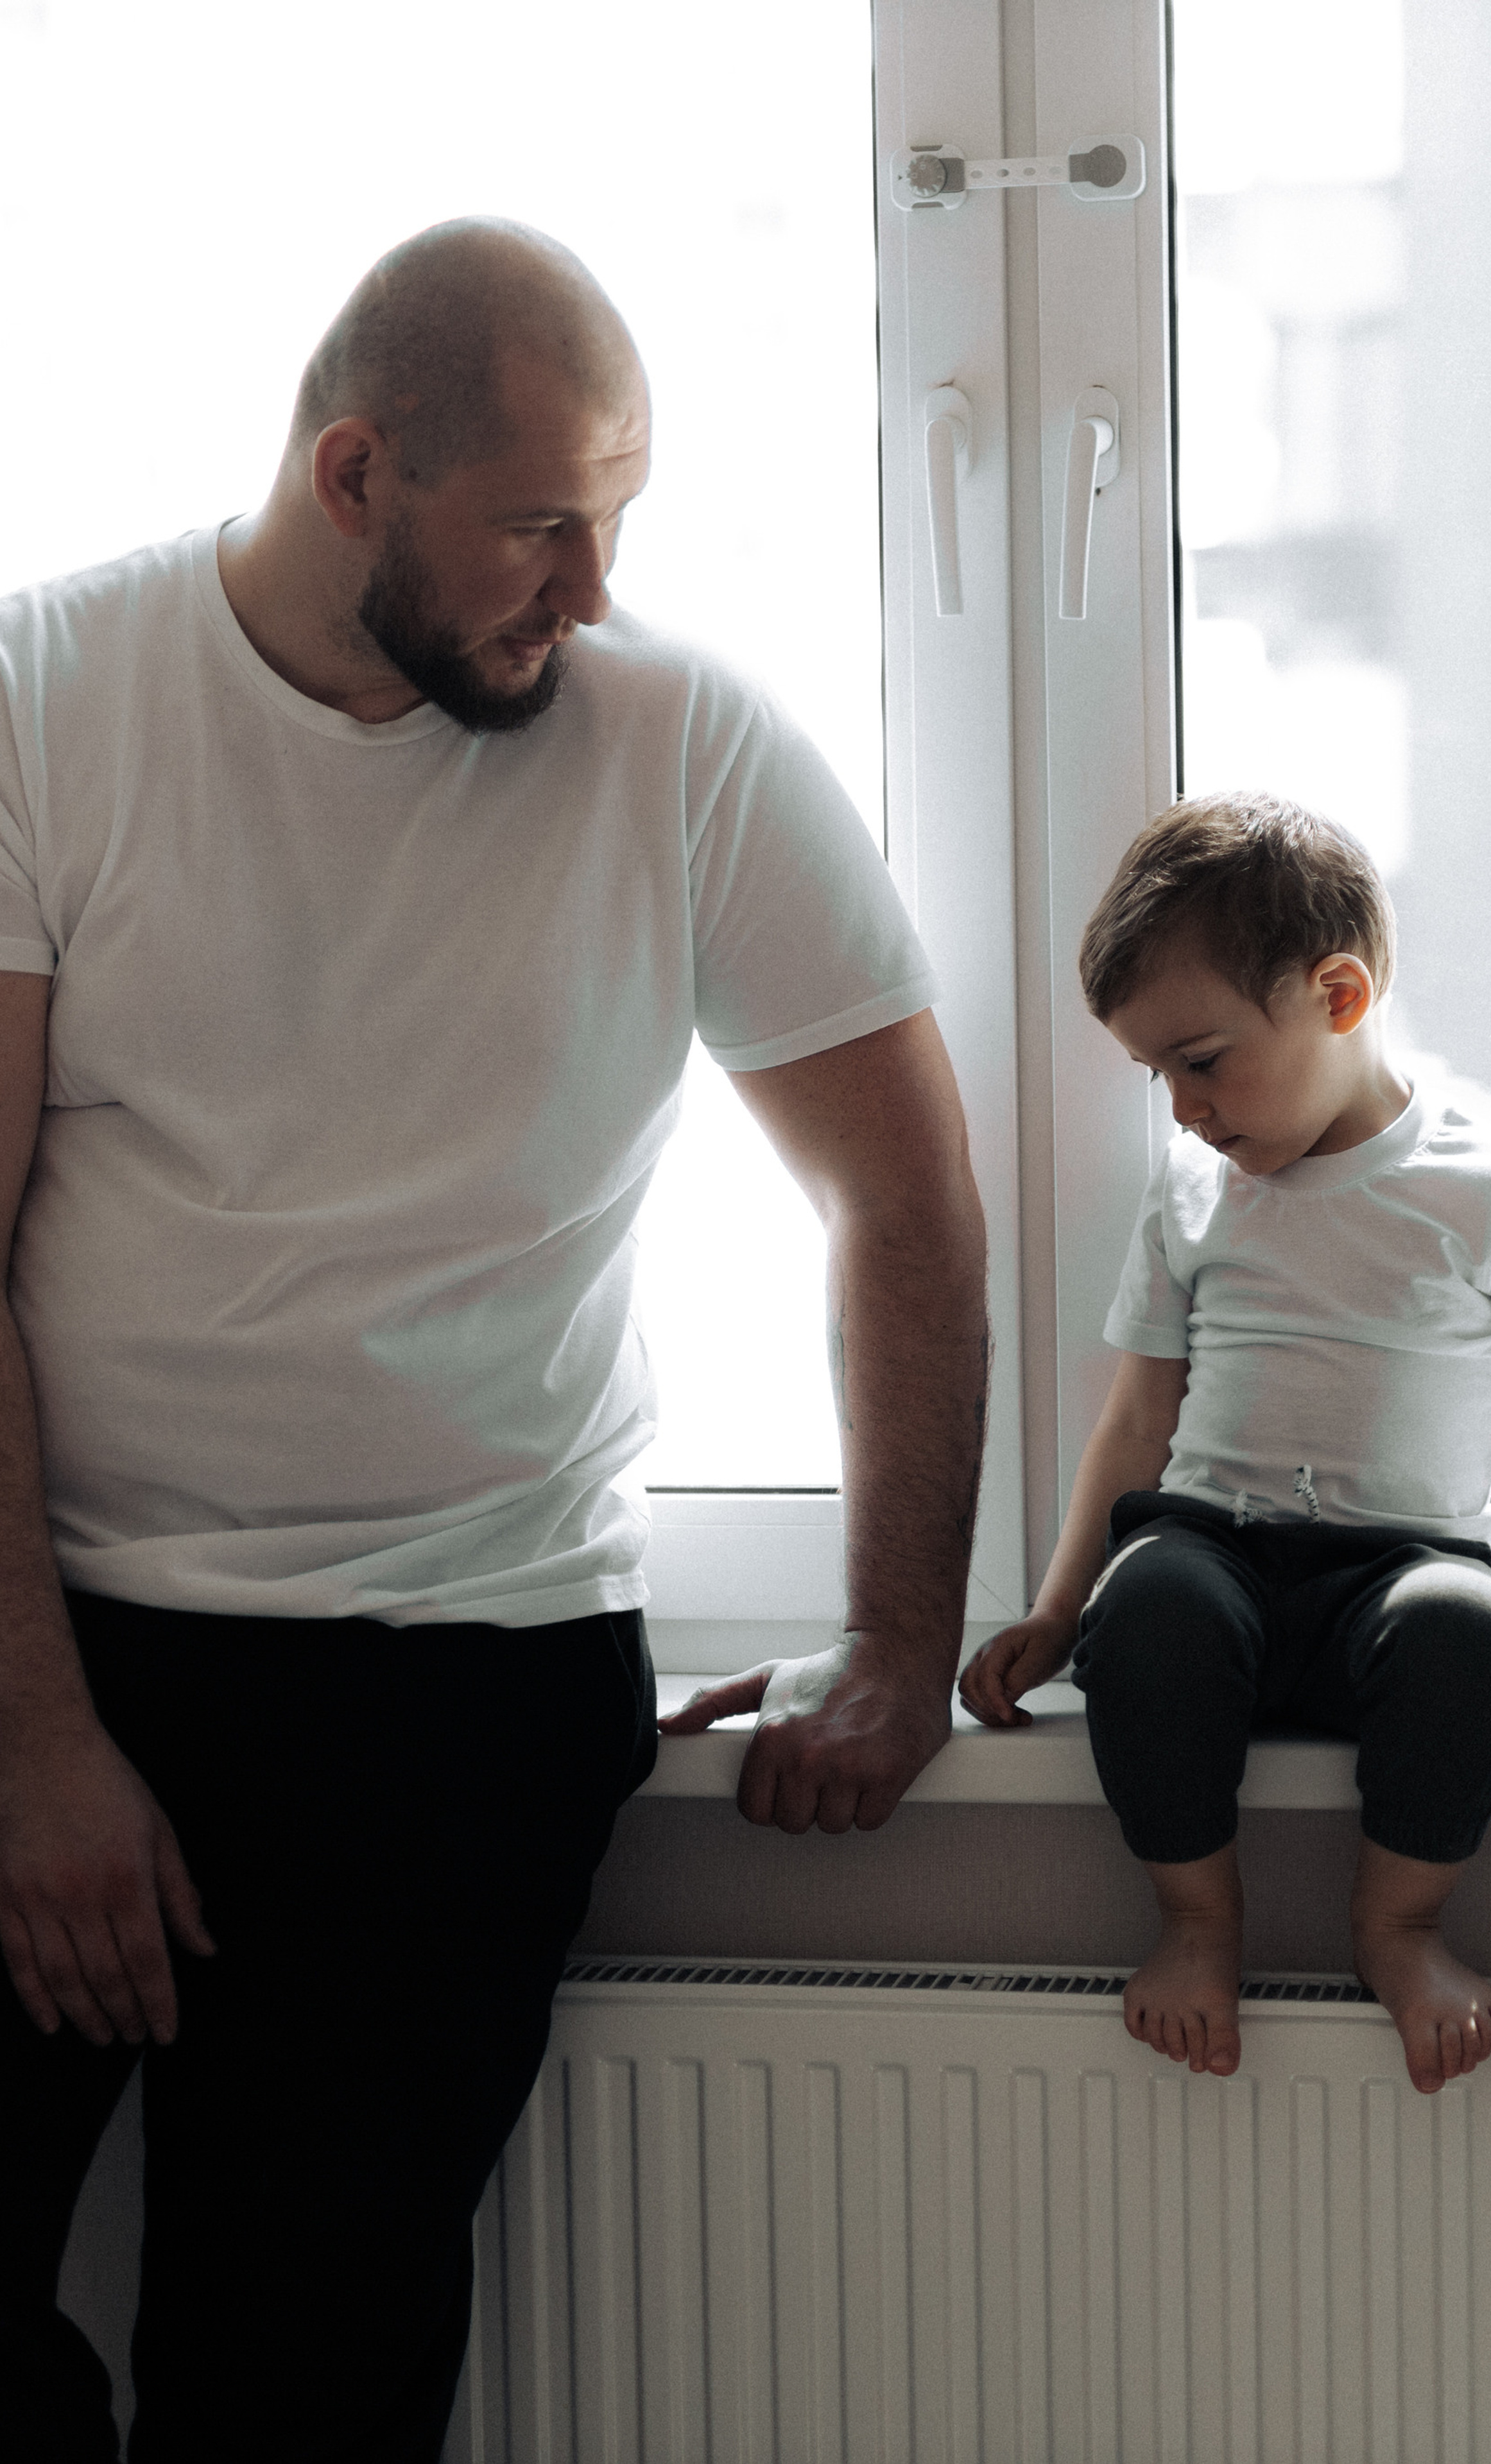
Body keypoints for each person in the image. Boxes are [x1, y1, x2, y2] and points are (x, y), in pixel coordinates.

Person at [0, 219, 989, 2460]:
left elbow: (907, 1207)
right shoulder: (46, 702)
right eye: (544, 525)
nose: (597, 589)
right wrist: (37, 1743)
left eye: (619, 519)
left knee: (304, 2379)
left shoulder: (687, 748)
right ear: (355, 474)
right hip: (62, 1636)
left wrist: (897, 1648)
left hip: (462, 1670)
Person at [961, 792, 1491, 2096]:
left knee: (1468, 1634)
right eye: (1153, 1075)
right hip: (1211, 1554)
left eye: (1201, 1061)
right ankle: (1195, 1924)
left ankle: (1399, 1927)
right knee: (1143, 1600)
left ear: (1337, 997)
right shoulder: (1192, 1194)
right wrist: (1054, 1613)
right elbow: (1136, 1420)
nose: (1179, 1110)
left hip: (1394, 1573)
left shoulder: (1490, 1185)